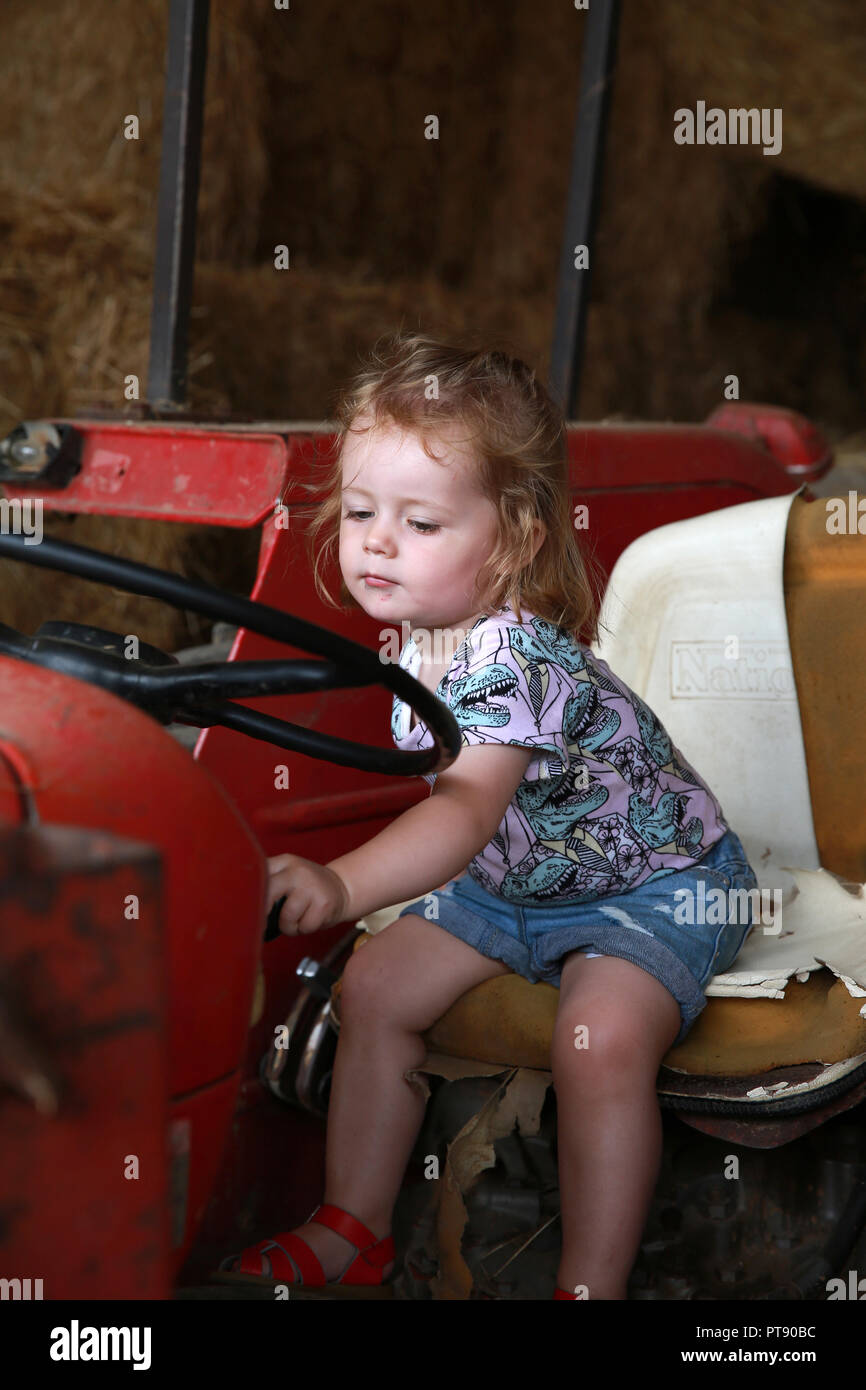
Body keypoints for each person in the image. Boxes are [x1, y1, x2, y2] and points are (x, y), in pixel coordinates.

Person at [216, 332, 760, 1299]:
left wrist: (340, 884)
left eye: (421, 523)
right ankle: (353, 1224)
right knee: (374, 990)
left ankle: (588, 1285)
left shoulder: (512, 656)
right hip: (518, 880)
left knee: (598, 1041)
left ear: (513, 540)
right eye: (360, 511)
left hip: (654, 884)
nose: (377, 541)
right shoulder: (413, 638)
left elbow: (463, 813)